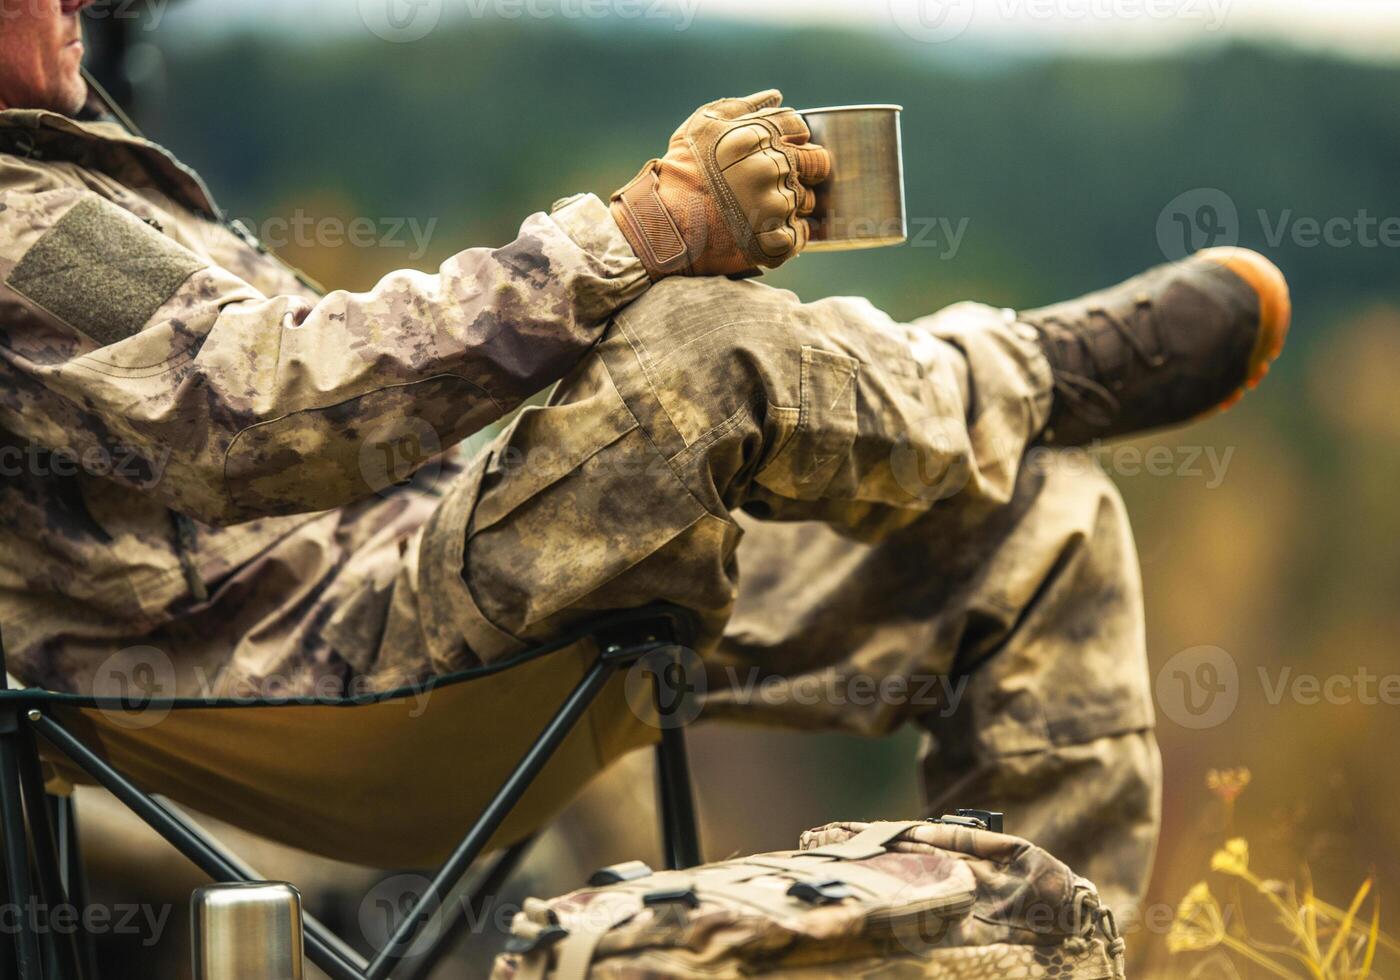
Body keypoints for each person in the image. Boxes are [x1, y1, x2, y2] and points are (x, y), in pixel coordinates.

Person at [0, 0, 1289, 909]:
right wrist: (639, 236)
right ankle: (1027, 369)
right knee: (696, 346)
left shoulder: (67, 175)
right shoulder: (19, 228)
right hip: (341, 692)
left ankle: (1029, 949)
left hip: (437, 608)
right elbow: (269, 413)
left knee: (1035, 518)